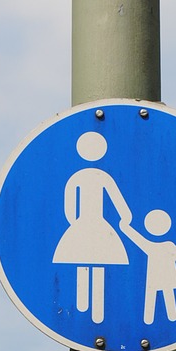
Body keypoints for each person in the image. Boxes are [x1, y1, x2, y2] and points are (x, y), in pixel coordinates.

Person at [52, 131, 133, 324]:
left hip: (83, 224)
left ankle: (84, 308)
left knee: (83, 261)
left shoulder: (78, 177)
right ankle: (94, 312)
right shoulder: (101, 176)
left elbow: (69, 207)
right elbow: (118, 201)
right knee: (98, 262)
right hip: (98, 225)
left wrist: (75, 224)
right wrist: (125, 217)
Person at [120, 209, 176, 324]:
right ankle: (155, 320)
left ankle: (157, 320)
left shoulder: (159, 246)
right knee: (157, 296)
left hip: (159, 276)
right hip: (157, 277)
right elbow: (137, 239)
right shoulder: (163, 246)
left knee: (160, 296)